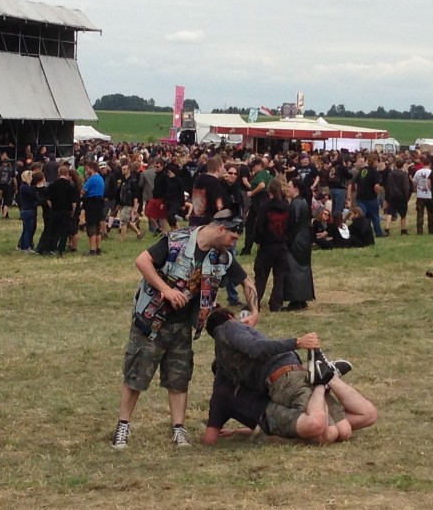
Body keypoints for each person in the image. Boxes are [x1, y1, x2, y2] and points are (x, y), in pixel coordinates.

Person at [111, 214, 258, 449]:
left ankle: (178, 429)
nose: (234, 242)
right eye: (233, 237)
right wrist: (166, 290)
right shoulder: (176, 241)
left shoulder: (222, 256)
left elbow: (247, 282)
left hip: (182, 326)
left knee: (179, 377)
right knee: (136, 373)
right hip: (151, 321)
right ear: (221, 229)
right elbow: (142, 261)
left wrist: (255, 311)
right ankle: (123, 426)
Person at [206, 307, 376, 444]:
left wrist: (297, 342)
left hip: (285, 379)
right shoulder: (229, 331)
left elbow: (254, 349)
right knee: (343, 431)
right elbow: (255, 348)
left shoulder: (227, 337)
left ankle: (322, 379)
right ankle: (325, 375)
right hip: (294, 374)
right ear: (230, 316)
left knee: (331, 432)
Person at [254, 179, 289, 312]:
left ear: (269, 191)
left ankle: (255, 302)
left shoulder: (265, 206)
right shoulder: (286, 205)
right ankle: (276, 303)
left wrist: (258, 240)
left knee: (261, 276)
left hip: (267, 245)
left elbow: (259, 225)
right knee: (279, 276)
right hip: (282, 244)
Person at [284, 177, 315, 312]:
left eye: (289, 186)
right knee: (303, 269)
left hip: (296, 240)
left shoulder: (296, 204)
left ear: (295, 188)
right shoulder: (303, 202)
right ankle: (302, 299)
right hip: (304, 239)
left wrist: (288, 240)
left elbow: (293, 224)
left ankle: (296, 300)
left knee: (294, 269)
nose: (287, 188)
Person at [47, 166, 79, 255]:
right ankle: (61, 249)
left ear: (58, 173)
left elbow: (48, 199)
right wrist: (72, 211)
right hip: (66, 211)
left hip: (55, 211)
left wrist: (52, 207)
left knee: (53, 230)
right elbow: (74, 202)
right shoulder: (71, 186)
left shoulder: (52, 185)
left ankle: (51, 248)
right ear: (67, 173)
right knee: (64, 231)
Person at [81, 161, 105, 256]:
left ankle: (92, 250)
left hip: (91, 203)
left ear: (92, 169)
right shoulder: (100, 178)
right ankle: (98, 249)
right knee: (98, 227)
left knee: (91, 228)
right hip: (99, 203)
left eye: (87, 169)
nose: (86, 171)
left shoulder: (91, 179)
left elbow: (83, 191)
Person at [384, 158, 411, 236]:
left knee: (390, 212)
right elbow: (406, 186)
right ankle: (403, 229)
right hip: (402, 196)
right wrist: (406, 196)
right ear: (403, 165)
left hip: (392, 195)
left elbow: (388, 186)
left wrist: (387, 197)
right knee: (403, 213)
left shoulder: (390, 174)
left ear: (396, 165)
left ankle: (387, 229)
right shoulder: (404, 174)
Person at [412, 156, 433, 235]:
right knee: (430, 213)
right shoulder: (431, 172)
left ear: (422, 164)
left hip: (420, 195)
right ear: (430, 164)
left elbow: (414, 183)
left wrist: (415, 188)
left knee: (420, 213)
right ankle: (431, 229)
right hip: (429, 195)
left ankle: (419, 230)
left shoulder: (418, 172)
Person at [17, 170, 38, 252]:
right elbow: (33, 196)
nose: (32, 178)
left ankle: (22, 246)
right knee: (28, 230)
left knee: (26, 229)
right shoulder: (26, 187)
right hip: (28, 210)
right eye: (31, 177)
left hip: (25, 210)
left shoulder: (23, 187)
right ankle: (26, 247)